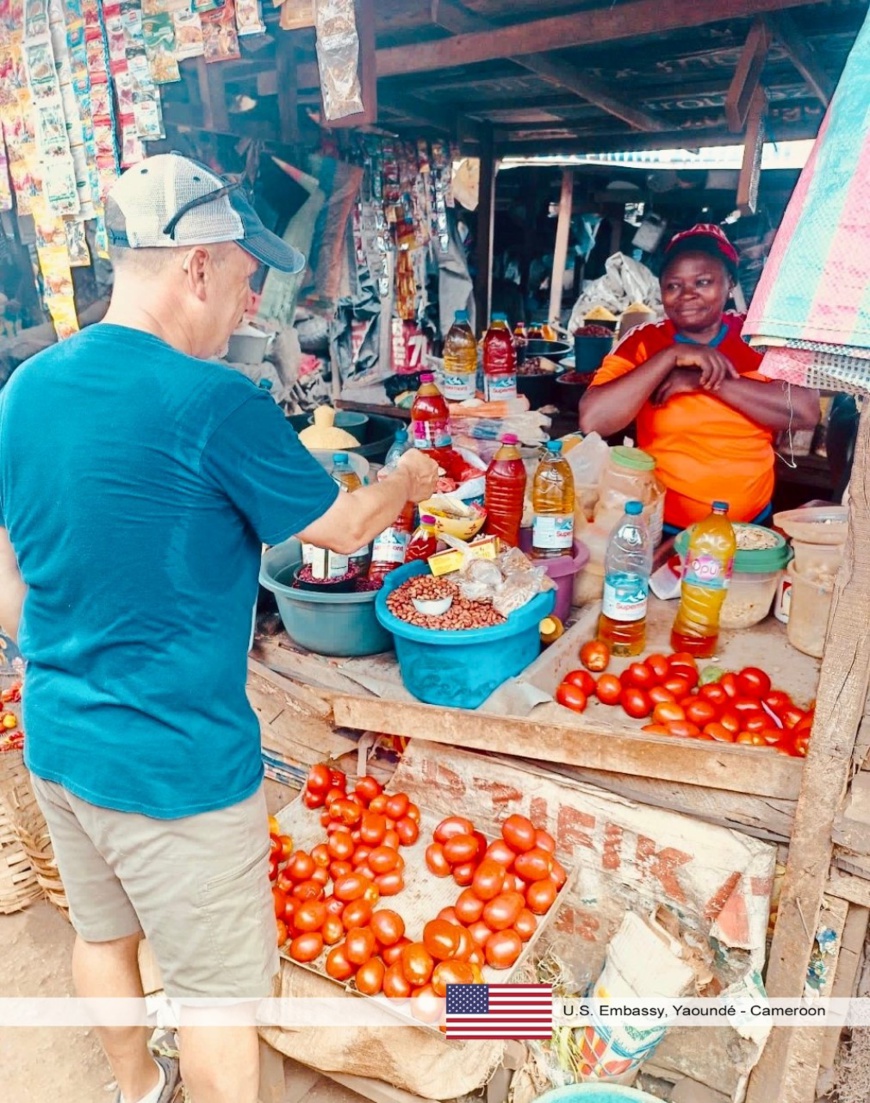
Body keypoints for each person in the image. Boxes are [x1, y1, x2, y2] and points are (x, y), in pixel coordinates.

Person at [0, 153, 438, 1103]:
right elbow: (346, 527)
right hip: (178, 769)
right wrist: (405, 478)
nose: (251, 303)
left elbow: (4, 566)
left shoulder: (26, 389)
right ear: (196, 266)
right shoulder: (214, 401)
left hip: (60, 741)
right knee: (218, 1008)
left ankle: (134, 1090)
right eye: (246, 276)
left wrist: (67, 641)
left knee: (100, 938)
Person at [578, 224, 820, 532]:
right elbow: (594, 420)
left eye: (703, 282)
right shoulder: (644, 342)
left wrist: (702, 381)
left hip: (747, 529)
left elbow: (805, 412)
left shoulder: (758, 340)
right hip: (660, 526)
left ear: (730, 283)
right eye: (673, 286)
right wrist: (670, 356)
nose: (687, 295)